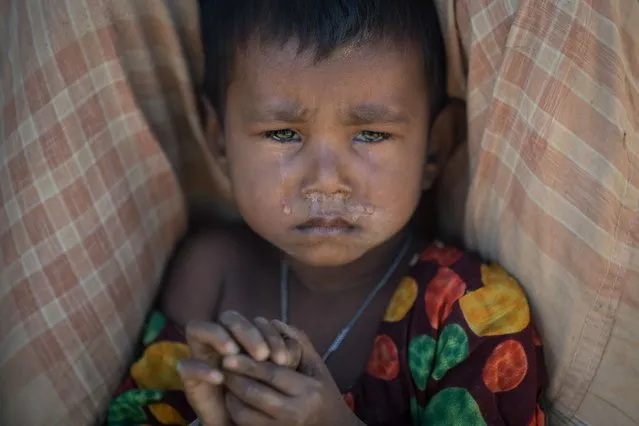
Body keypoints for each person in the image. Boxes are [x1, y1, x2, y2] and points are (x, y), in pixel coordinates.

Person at [106, 0, 546, 424]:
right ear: (220, 140)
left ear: (434, 149)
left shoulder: (468, 310)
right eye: (282, 133)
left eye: (371, 135)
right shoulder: (211, 276)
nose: (327, 180)